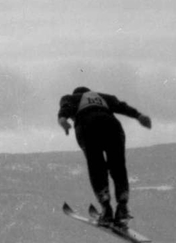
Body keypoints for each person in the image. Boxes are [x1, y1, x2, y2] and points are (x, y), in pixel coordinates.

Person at [57, 86, 152, 227]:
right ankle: (122, 208)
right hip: (112, 126)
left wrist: (62, 119)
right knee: (117, 166)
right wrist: (139, 116)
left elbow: (65, 107)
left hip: (87, 127)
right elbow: (122, 107)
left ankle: (106, 208)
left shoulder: (72, 98)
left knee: (96, 167)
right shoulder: (104, 97)